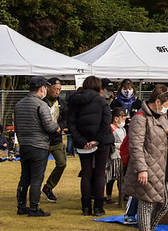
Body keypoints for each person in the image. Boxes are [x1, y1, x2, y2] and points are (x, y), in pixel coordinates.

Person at [122, 85, 168, 231]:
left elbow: (164, 136)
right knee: (146, 201)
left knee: (167, 200)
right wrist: (141, 169)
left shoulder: (162, 117)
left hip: (162, 163)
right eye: (165, 104)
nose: (166, 108)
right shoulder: (140, 118)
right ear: (158, 101)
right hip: (147, 164)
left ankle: (150, 229)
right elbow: (136, 146)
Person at [67, 75, 114, 216]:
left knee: (86, 174)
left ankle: (86, 207)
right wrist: (97, 140)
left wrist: (81, 141)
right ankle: (98, 207)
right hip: (100, 142)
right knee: (99, 174)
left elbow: (71, 123)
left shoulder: (74, 102)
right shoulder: (102, 102)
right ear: (98, 87)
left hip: (82, 142)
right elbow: (106, 123)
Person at [14, 77, 59, 217]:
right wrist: (57, 125)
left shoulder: (19, 104)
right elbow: (49, 126)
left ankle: (21, 206)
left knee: (25, 177)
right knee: (36, 178)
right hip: (39, 145)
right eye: (45, 87)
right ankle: (34, 208)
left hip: (24, 144)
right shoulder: (41, 105)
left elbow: (16, 125)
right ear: (41, 88)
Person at [41, 78, 68, 203]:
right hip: (43, 138)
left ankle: (48, 186)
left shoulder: (61, 103)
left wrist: (60, 126)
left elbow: (66, 118)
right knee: (40, 167)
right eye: (55, 89)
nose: (57, 92)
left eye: (59, 90)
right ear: (48, 88)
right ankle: (34, 191)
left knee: (62, 163)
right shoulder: (42, 102)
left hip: (56, 138)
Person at [105, 107, 127, 204]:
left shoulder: (123, 129)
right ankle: (108, 196)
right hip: (113, 155)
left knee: (122, 177)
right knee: (112, 177)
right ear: (116, 118)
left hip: (122, 155)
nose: (124, 121)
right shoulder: (110, 128)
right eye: (123, 118)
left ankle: (122, 194)